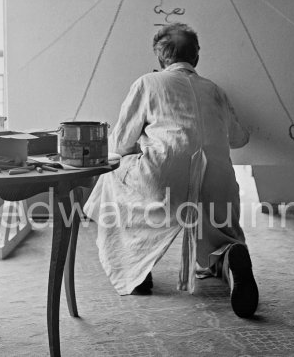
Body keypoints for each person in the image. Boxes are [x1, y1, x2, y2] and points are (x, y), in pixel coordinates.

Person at [84, 22, 258, 318]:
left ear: (161, 58)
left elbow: (121, 143)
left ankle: (137, 269)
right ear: (196, 57)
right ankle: (230, 254)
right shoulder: (215, 89)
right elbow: (240, 138)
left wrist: (145, 140)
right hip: (219, 180)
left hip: (164, 176)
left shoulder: (147, 83)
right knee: (219, 230)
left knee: (113, 173)